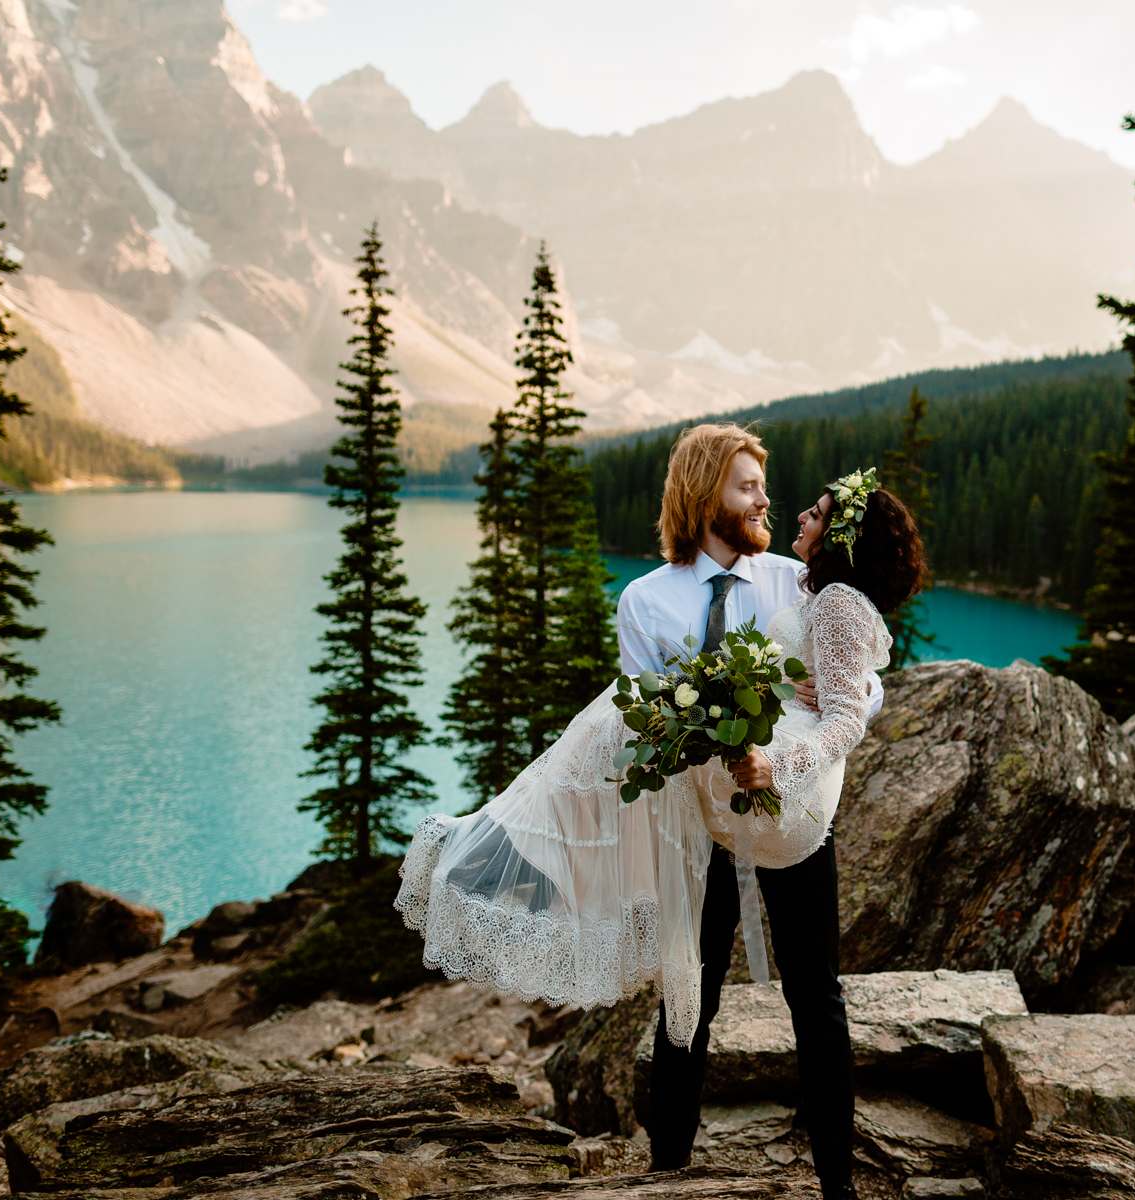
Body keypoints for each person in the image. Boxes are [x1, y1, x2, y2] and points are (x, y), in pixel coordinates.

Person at [393, 426, 925, 1200]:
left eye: (766, 488)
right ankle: (669, 1174)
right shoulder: (644, 602)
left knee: (817, 994)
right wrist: (695, 729)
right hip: (694, 822)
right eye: (748, 486)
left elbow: (860, 669)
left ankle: (838, 1185)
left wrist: (835, 699)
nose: (766, 501)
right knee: (691, 992)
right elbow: (642, 724)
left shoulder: (793, 579)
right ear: (707, 493)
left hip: (793, 814)